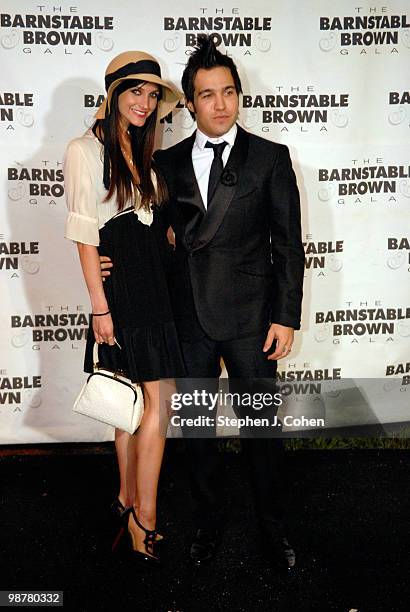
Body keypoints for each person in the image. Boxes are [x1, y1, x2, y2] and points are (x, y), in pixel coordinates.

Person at [102, 35, 304, 570]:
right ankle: (209, 520)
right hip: (185, 320)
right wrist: (109, 262)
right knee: (196, 434)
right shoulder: (163, 164)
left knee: (262, 435)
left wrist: (285, 317)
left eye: (229, 92)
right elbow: (141, 231)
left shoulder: (270, 158)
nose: (220, 105)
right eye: (207, 95)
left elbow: (287, 244)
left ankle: (272, 527)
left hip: (250, 321)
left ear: (239, 96)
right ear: (188, 103)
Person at [64, 51, 185, 567]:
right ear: (113, 95)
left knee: (134, 407)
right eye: (135, 91)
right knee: (154, 406)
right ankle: (146, 521)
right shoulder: (84, 150)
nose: (145, 101)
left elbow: (156, 229)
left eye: (153, 93)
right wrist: (99, 305)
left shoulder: (147, 155)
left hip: (156, 289)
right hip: (122, 299)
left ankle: (127, 499)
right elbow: (83, 233)